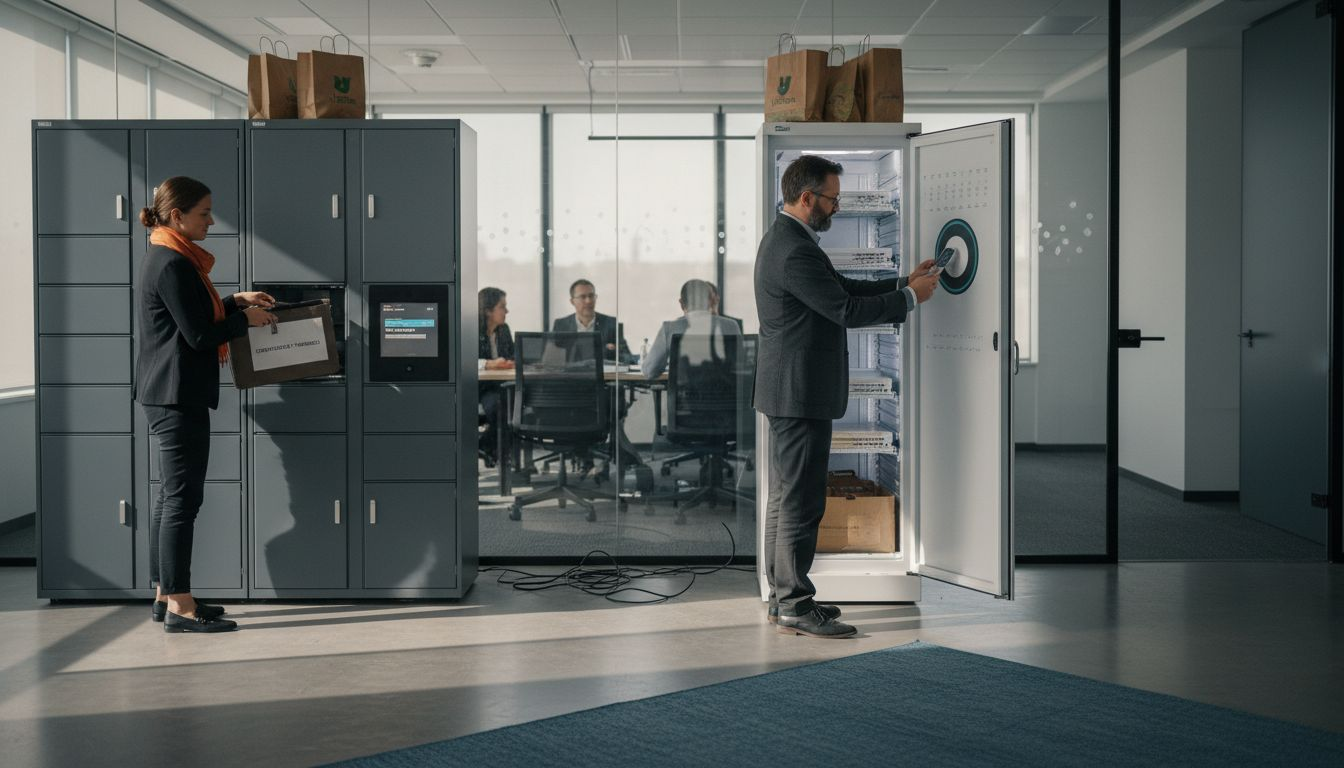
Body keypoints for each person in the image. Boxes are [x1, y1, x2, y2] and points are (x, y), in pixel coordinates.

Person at [755, 155, 939, 639]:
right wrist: (911, 300)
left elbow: (843, 287)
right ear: (807, 197)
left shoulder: (791, 240)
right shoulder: (794, 249)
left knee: (786, 497)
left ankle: (782, 599)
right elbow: (846, 309)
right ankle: (794, 603)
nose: (836, 207)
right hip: (799, 392)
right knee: (800, 499)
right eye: (833, 199)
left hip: (792, 390)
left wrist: (904, 282)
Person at [136, 176, 277, 634]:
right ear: (177, 216)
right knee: (182, 500)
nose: (212, 221)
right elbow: (198, 335)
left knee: (170, 497)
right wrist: (244, 322)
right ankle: (179, 604)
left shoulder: (170, 256)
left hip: (170, 391)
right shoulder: (173, 263)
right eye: (204, 213)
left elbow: (194, 317)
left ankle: (165, 593)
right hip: (177, 394)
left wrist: (235, 301)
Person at [641, 279, 741, 380]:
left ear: (681, 303)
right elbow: (742, 366)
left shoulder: (670, 329)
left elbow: (650, 371)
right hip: (724, 394)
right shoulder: (731, 326)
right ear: (711, 300)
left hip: (684, 395)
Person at [552, 279, 633, 364]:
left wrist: (616, 351)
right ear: (572, 301)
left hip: (602, 376)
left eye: (591, 296)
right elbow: (550, 360)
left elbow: (628, 358)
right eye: (583, 297)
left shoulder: (611, 323)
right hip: (571, 375)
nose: (588, 301)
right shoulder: (561, 325)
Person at [478, 287, 514, 466]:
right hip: (476, 388)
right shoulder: (470, 329)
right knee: (499, 407)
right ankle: (491, 449)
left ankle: (485, 445)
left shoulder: (503, 329)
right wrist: (489, 364)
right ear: (487, 310)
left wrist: (511, 362)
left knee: (516, 403)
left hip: (498, 385)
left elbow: (512, 356)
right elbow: (460, 360)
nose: (507, 311)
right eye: (502, 307)